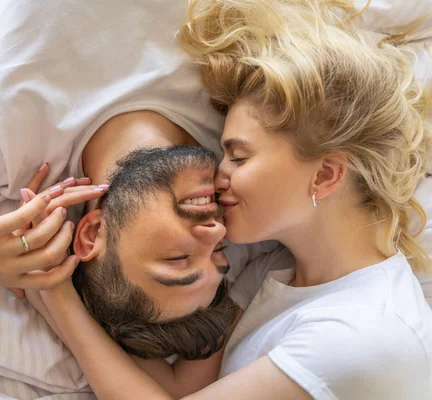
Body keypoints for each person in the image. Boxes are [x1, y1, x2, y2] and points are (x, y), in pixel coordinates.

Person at [32, 0, 432, 398]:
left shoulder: (363, 334)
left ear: (325, 175)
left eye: (239, 157)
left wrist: (52, 292)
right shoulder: (278, 270)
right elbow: (176, 387)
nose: (219, 176)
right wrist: (58, 276)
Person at [0, 0, 252, 362]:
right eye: (219, 256)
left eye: (179, 260)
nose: (215, 232)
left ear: (91, 234)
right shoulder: (247, 124)